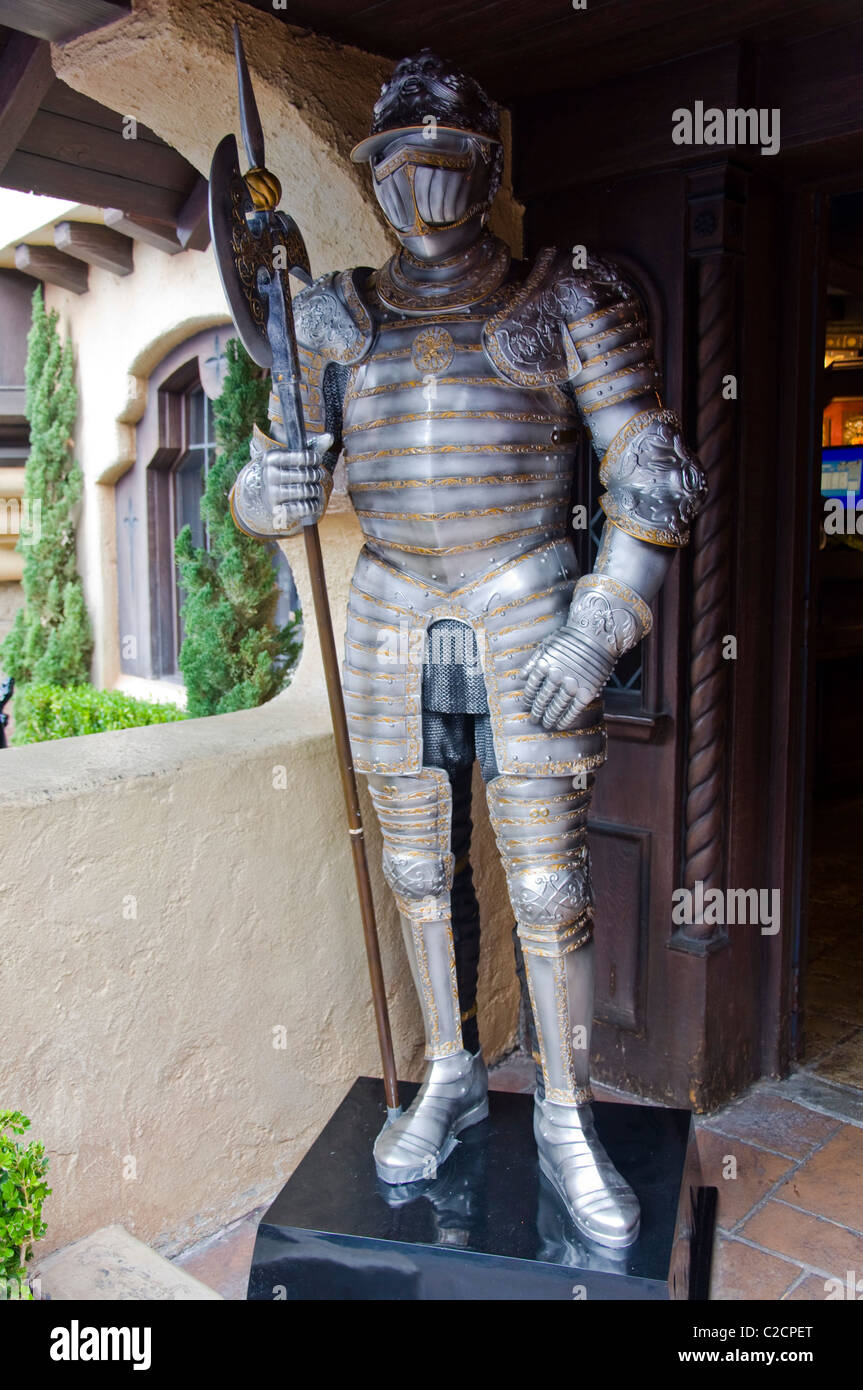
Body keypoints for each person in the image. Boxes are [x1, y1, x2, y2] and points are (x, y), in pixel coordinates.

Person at [231, 50, 707, 1249]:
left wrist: (602, 624)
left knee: (547, 883)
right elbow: (269, 480)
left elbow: (650, 468)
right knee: (415, 869)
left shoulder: (567, 297)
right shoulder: (329, 316)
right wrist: (267, 481)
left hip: (525, 597)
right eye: (397, 163)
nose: (420, 187)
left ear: (486, 169)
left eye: (443, 160)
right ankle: (446, 1069)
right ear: (373, 175)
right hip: (391, 608)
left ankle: (562, 1110)